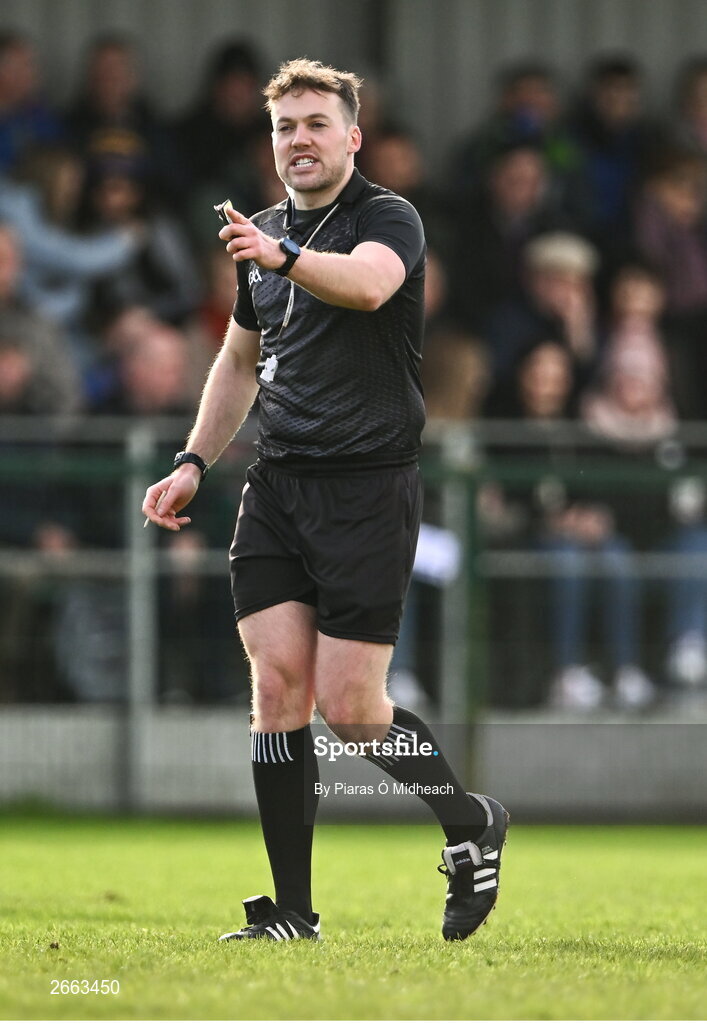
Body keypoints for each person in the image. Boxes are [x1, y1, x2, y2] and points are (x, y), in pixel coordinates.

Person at [143, 58, 508, 943]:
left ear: (352, 135)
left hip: (368, 489)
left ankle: (468, 821)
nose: (297, 140)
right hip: (276, 487)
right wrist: (194, 458)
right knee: (276, 690)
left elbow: (372, 284)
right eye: (283, 128)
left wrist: (285, 255)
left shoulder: (386, 217)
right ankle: (292, 913)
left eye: (315, 124)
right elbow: (237, 360)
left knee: (351, 711)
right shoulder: (261, 235)